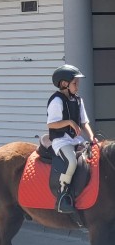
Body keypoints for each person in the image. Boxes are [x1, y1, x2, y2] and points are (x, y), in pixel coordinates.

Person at [47, 64, 95, 214]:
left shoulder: (78, 100)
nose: (77, 86)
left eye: (77, 83)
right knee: (72, 162)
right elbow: (51, 124)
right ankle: (63, 193)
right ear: (64, 84)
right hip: (61, 141)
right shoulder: (56, 101)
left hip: (75, 140)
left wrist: (92, 137)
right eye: (75, 83)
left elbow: (84, 122)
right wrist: (69, 122)